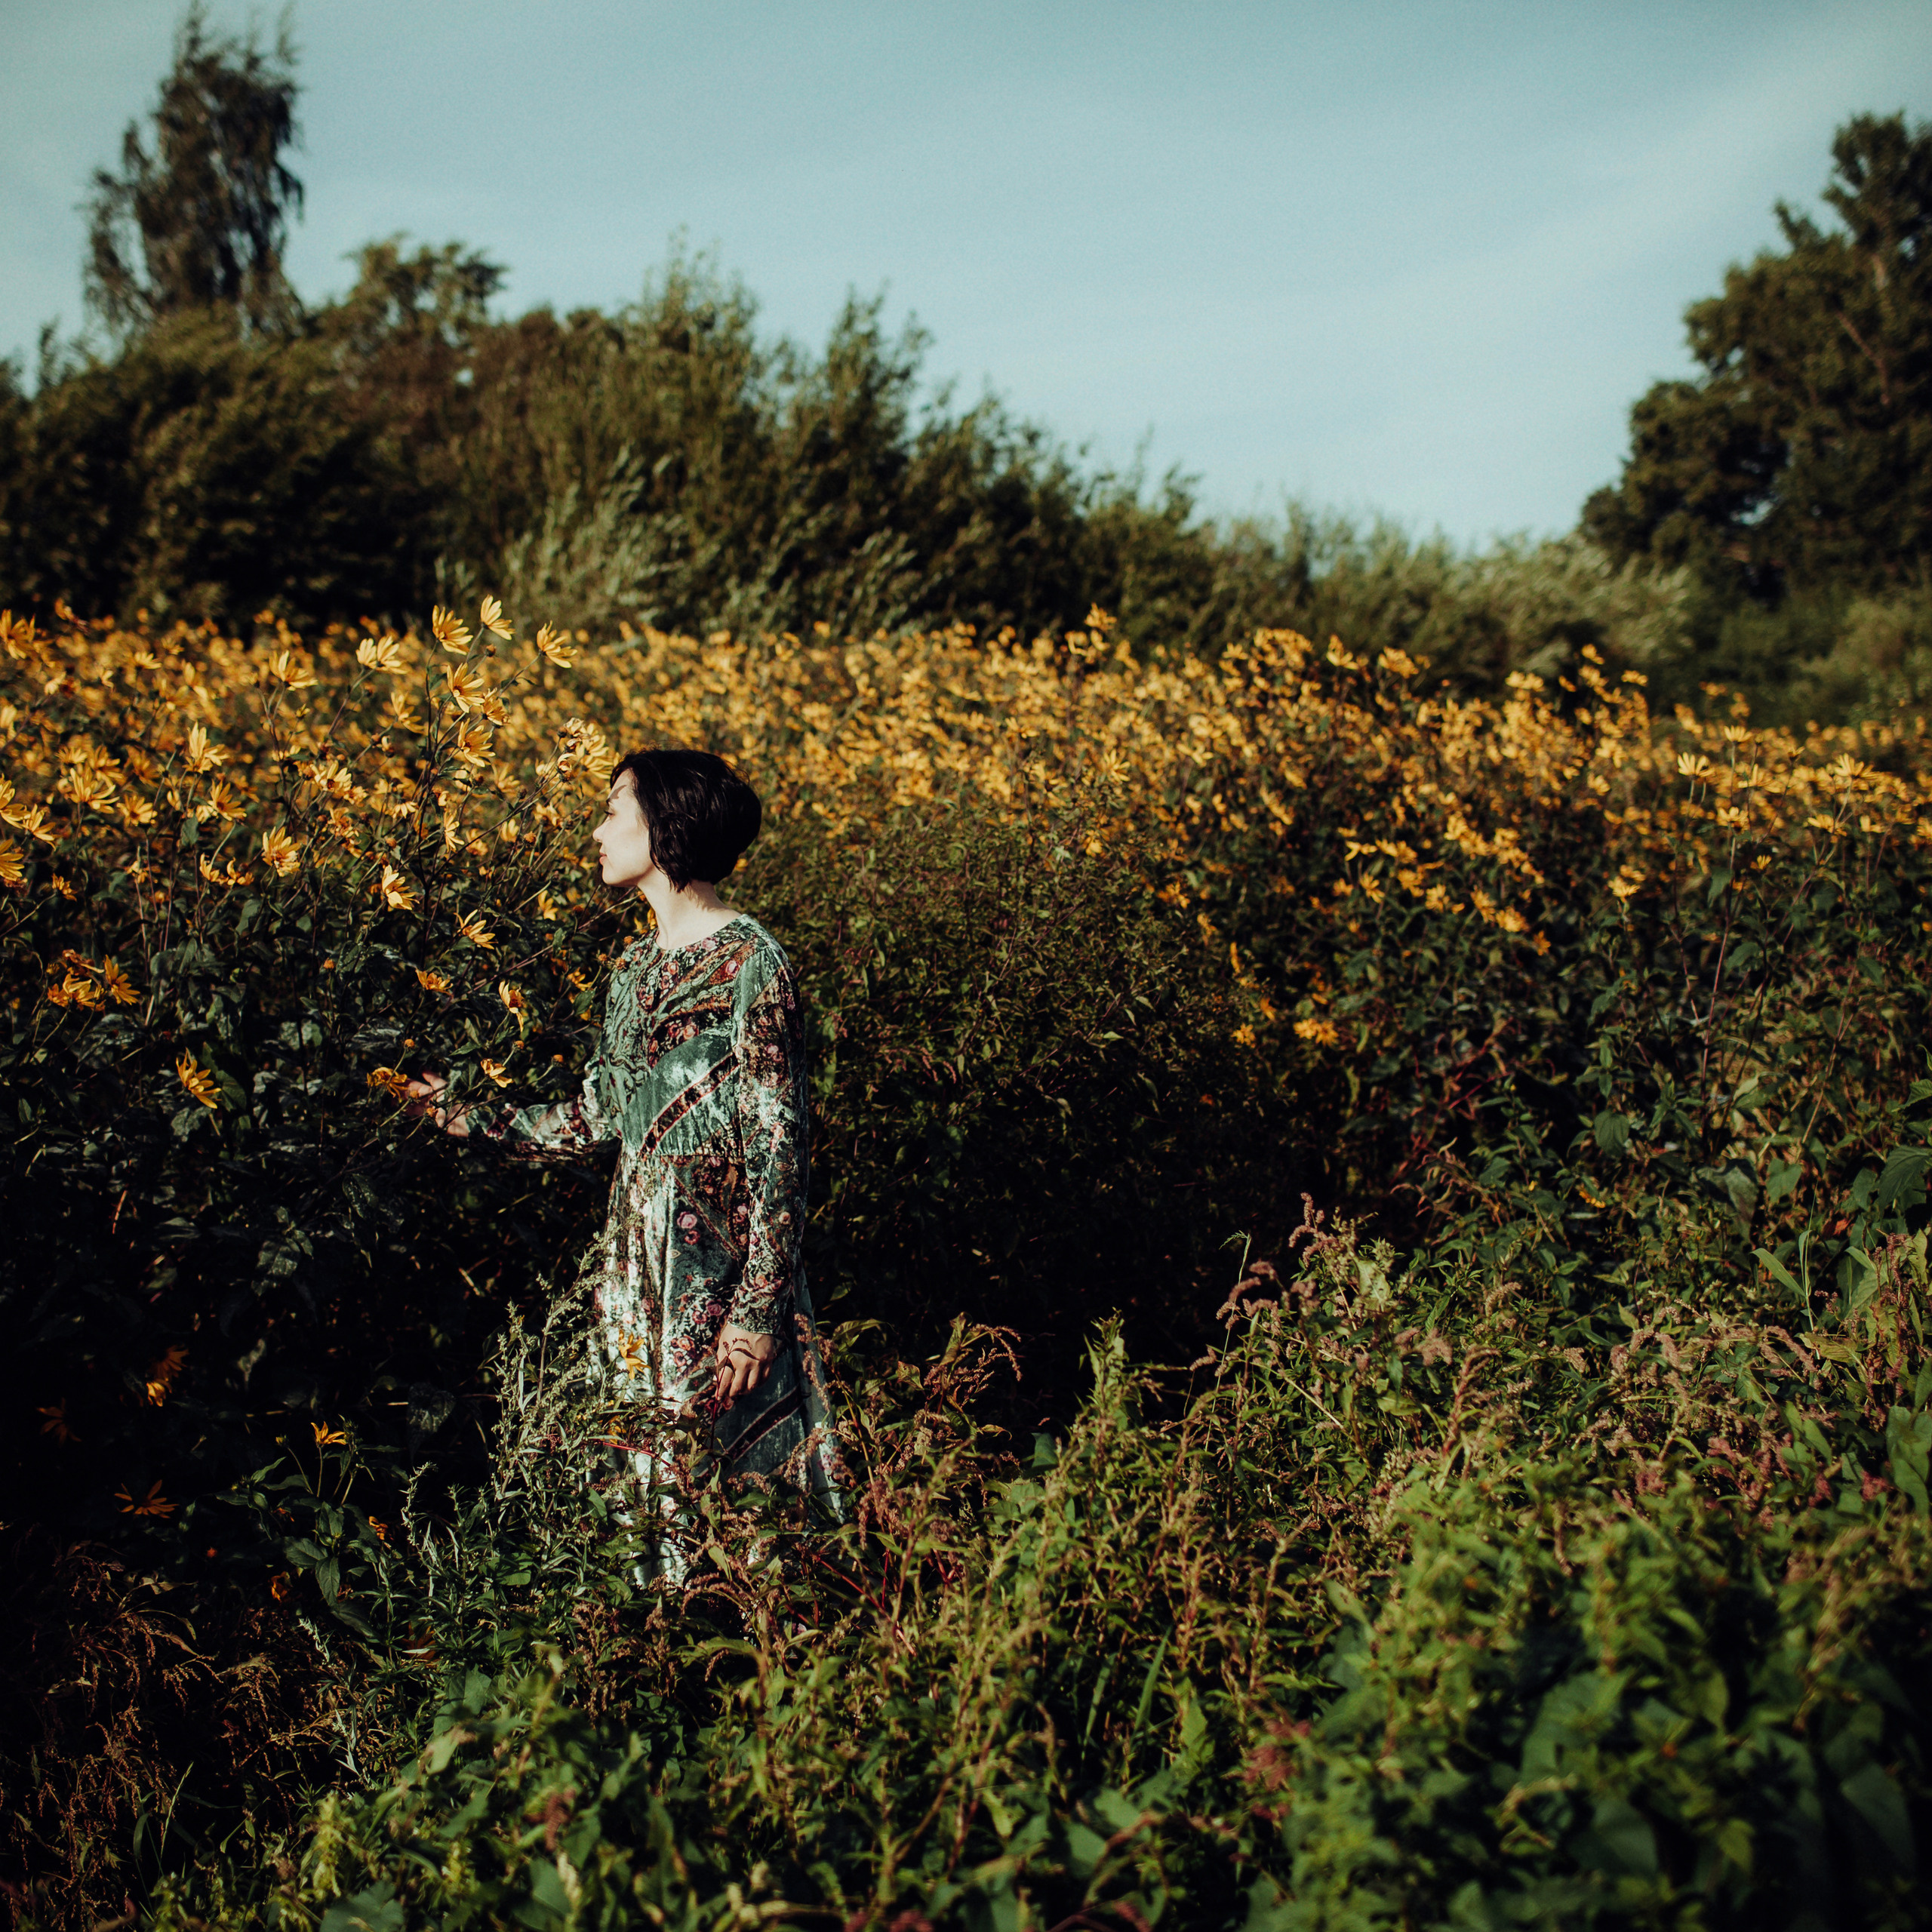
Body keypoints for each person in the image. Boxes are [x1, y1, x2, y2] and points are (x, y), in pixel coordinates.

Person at [407, 749, 845, 1581]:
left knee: (743, 1497)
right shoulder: (631, 972)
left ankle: (761, 1661)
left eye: (616, 809)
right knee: (642, 1479)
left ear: (667, 826)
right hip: (637, 1264)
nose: (600, 829)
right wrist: (465, 1118)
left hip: (719, 1265)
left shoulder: (754, 962)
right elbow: (596, 1118)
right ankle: (658, 1655)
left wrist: (757, 1308)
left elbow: (781, 1147)